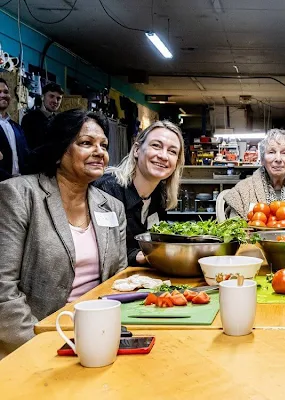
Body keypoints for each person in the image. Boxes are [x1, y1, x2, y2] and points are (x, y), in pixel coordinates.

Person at [0, 109, 127, 357]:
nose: (99, 152)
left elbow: (117, 283)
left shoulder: (112, 207)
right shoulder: (20, 196)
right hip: (33, 342)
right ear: (60, 150)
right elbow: (3, 291)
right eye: (86, 143)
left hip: (98, 338)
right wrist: (43, 347)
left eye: (104, 145)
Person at [94, 120, 185, 266]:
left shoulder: (159, 196)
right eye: (156, 146)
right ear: (137, 150)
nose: (163, 156)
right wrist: (137, 256)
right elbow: (102, 250)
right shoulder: (107, 189)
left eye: (172, 151)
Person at [0, 78, 30, 182]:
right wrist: (9, 178)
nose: (3, 95)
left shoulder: (16, 127)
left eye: (6, 92)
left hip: (19, 184)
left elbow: (26, 156)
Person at [21, 82, 64, 150]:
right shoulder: (29, 119)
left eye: (58, 98)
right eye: (51, 96)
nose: (55, 101)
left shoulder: (60, 121)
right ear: (42, 97)